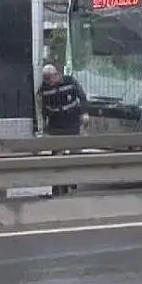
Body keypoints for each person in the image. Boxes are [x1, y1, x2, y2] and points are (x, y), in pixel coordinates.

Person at [38, 64, 88, 196]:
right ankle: (57, 189)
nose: (48, 81)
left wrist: (84, 113)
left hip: (72, 122)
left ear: (57, 75)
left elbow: (82, 97)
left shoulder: (70, 81)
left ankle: (72, 180)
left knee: (75, 155)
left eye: (50, 78)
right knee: (57, 159)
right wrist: (43, 127)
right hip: (56, 125)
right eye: (45, 79)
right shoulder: (44, 89)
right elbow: (42, 108)